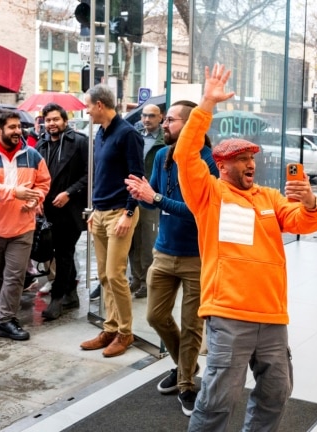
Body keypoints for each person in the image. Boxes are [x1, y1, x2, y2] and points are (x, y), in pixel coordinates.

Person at [175, 64, 317, 431]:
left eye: (252, 157)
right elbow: (185, 155)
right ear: (222, 165)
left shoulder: (269, 198)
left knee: (277, 391)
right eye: (241, 158)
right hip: (228, 313)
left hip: (272, 315)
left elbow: (305, 222)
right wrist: (207, 103)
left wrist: (309, 202)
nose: (250, 163)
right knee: (218, 399)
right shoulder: (208, 193)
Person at [125, 100, 219, 416]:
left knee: (192, 326)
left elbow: (199, 212)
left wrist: (156, 198)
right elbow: (155, 202)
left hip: (197, 256)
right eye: (165, 120)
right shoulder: (164, 156)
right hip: (164, 252)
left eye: (171, 121)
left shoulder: (209, 161)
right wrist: (142, 195)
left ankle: (187, 386)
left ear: (193, 126)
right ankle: (184, 368)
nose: (164, 125)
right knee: (155, 317)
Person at [0, 108, 51, 341]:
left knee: (15, 276)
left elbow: (44, 183)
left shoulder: (33, 155)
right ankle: (0, 318)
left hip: (22, 227)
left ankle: (5, 320)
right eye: (12, 127)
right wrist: (15, 193)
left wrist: (36, 197)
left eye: (19, 126)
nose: (18, 131)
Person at [80, 84, 145, 357]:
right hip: (102, 211)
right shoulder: (101, 133)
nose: (86, 112)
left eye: (87, 106)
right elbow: (102, 175)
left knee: (116, 275)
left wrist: (129, 212)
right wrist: (95, 209)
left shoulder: (127, 134)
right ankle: (110, 327)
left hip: (121, 212)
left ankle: (125, 333)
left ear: (99, 105)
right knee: (105, 275)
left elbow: (137, 177)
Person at [36, 102, 89, 320]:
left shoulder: (79, 142)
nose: (52, 124)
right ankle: (71, 294)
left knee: (64, 252)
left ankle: (58, 298)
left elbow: (90, 174)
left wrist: (69, 192)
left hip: (70, 209)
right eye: (48, 120)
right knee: (56, 253)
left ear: (65, 121)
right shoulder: (41, 146)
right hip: (47, 210)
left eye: (56, 119)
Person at [129, 103, 165, 299]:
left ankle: (146, 280)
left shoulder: (163, 141)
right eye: (144, 116)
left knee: (147, 239)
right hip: (132, 193)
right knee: (132, 239)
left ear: (160, 117)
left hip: (151, 194)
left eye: (151, 116)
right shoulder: (136, 136)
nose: (147, 119)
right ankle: (135, 277)